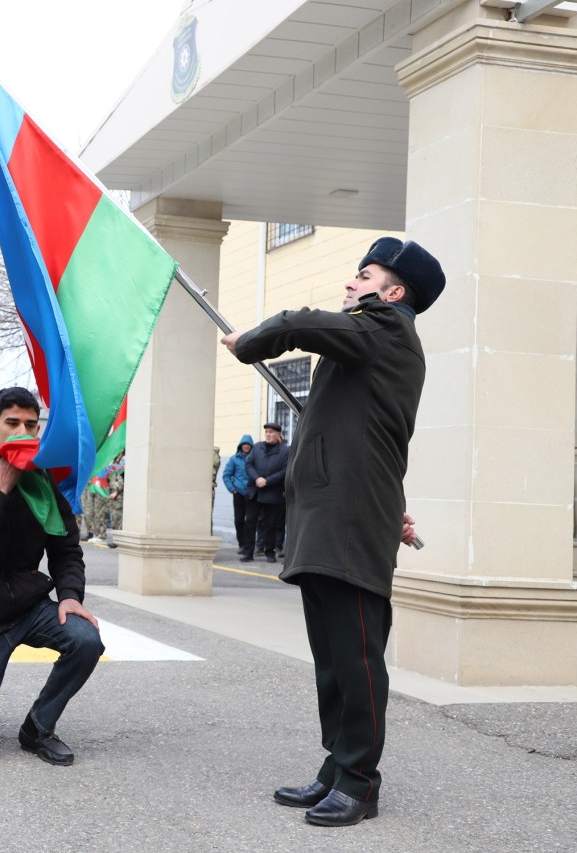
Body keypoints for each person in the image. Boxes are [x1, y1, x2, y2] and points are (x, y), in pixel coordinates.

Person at [222, 236, 444, 827]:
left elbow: (299, 322)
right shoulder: (366, 341)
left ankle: (360, 781)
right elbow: (362, 437)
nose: (351, 283)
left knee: (356, 655)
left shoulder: (385, 328)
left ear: (394, 293)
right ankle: (336, 766)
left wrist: (249, 343)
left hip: (347, 520)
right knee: (331, 655)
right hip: (332, 514)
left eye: (364, 275)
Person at [0, 386, 104, 765]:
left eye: (31, 424)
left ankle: (37, 728)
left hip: (27, 606)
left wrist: (71, 597)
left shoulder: (42, 481)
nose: (23, 432)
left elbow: (65, 549)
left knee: (86, 639)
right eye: (12, 423)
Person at [243, 423, 288, 564]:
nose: (268, 434)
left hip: (272, 494)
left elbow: (285, 471)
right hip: (255, 492)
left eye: (271, 432)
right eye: (266, 432)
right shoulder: (257, 447)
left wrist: (267, 481)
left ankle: (270, 552)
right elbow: (248, 464)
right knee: (250, 523)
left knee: (271, 525)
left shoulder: (284, 451)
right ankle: (248, 552)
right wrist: (257, 478)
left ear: (278, 434)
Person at [222, 435, 254, 555]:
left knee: (250, 521)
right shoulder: (234, 459)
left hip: (252, 494)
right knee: (239, 520)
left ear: (251, 446)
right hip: (239, 493)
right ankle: (241, 544)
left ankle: (249, 545)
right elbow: (226, 475)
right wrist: (233, 489)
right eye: (244, 444)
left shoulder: (254, 458)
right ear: (240, 446)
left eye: (248, 444)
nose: (246, 446)